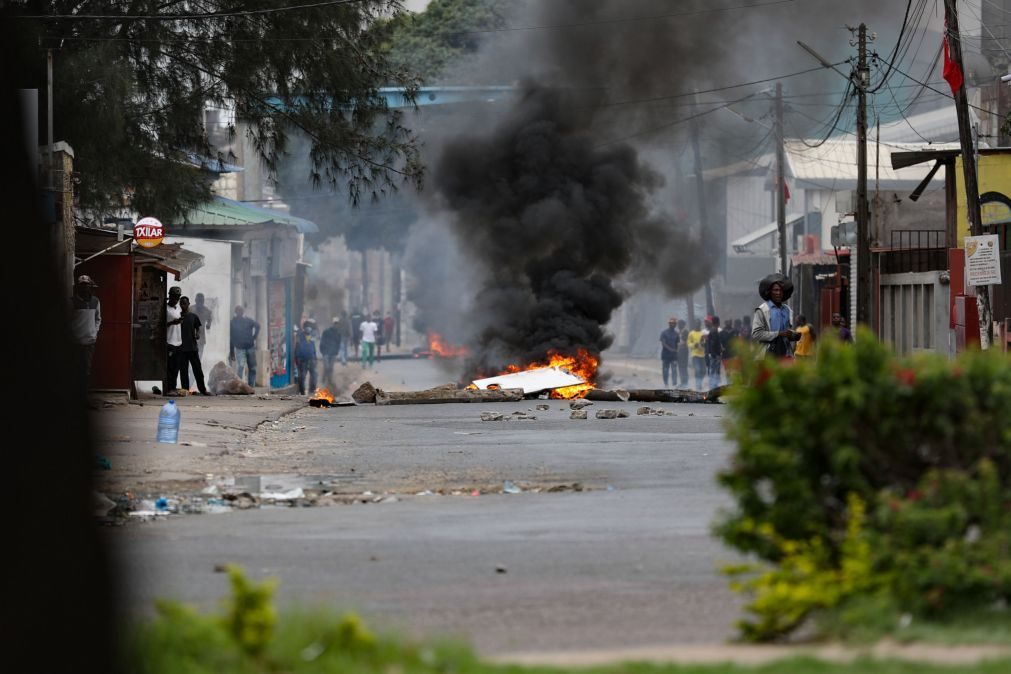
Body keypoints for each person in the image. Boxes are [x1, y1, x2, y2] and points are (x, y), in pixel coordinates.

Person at [752, 273, 801, 358]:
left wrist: (794, 335)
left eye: (781, 290)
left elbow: (786, 334)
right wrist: (778, 334)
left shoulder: (787, 310)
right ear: (769, 292)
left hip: (785, 354)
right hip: (767, 355)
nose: (778, 293)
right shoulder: (762, 310)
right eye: (775, 290)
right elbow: (756, 334)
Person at [70, 275, 102, 380]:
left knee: (86, 371)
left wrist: (94, 333)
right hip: (75, 343)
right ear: (78, 287)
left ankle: (83, 393)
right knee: (74, 370)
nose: (85, 288)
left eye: (87, 285)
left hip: (89, 342)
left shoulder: (95, 301)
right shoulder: (72, 301)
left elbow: (98, 319)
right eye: (82, 285)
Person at [178, 296, 211, 395]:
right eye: (181, 303)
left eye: (185, 303)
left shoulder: (193, 316)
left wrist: (197, 334)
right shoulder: (178, 316)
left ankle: (202, 389)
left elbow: (198, 328)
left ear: (188, 304)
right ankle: (185, 390)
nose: (183, 305)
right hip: (181, 348)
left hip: (192, 347)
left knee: (197, 369)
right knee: (183, 370)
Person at [229, 305, 260, 387]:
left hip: (250, 347)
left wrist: (254, 337)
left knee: (252, 368)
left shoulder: (248, 320)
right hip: (240, 348)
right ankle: (239, 386)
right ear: (236, 312)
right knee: (241, 367)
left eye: (241, 311)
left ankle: (251, 386)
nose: (240, 312)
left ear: (243, 312)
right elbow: (231, 337)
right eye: (238, 311)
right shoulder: (233, 322)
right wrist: (232, 352)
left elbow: (258, 326)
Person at [164, 286, 184, 395]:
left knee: (176, 367)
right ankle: (169, 388)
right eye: (174, 297)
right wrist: (172, 322)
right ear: (170, 296)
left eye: (177, 297)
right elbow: (162, 325)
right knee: (170, 367)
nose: (176, 299)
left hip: (178, 341)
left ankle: (174, 387)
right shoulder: (165, 309)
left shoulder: (178, 309)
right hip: (169, 341)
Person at [294, 320, 318, 395]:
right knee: (302, 377)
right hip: (302, 359)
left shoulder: (312, 336)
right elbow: (297, 347)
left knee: (314, 376)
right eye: (307, 327)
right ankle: (302, 392)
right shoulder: (300, 336)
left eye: (310, 327)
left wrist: (315, 357)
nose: (309, 328)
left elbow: (313, 348)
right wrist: (297, 358)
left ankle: (312, 390)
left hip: (311, 359)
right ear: (304, 328)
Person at [319, 317, 342, 388]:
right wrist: (322, 351)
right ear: (333, 324)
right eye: (335, 323)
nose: (336, 325)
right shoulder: (326, 331)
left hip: (333, 353)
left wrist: (336, 351)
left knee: (331, 368)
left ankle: (329, 382)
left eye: (337, 324)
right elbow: (322, 341)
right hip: (326, 352)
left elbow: (338, 343)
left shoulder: (338, 333)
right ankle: (324, 380)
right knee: (327, 367)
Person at [705, 316, 726, 388]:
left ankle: (714, 385)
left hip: (714, 354)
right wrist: (715, 354)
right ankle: (713, 386)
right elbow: (712, 344)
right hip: (714, 355)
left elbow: (714, 343)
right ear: (718, 322)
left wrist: (720, 348)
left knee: (714, 371)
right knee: (714, 371)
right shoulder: (714, 331)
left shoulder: (713, 330)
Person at [659, 316, 680, 388]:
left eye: (674, 323)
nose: (672, 324)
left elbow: (677, 344)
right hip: (666, 355)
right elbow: (663, 343)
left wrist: (676, 352)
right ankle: (666, 383)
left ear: (675, 324)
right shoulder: (664, 333)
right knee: (665, 370)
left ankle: (674, 384)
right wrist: (671, 349)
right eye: (671, 323)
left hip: (674, 355)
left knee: (674, 370)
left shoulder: (677, 334)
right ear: (669, 324)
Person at [687, 319, 706, 389]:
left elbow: (705, 342)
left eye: (699, 323)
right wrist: (694, 345)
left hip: (703, 354)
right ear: (694, 324)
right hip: (695, 354)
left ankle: (699, 382)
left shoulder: (703, 333)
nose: (697, 324)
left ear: (700, 324)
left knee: (704, 371)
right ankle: (698, 385)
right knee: (697, 369)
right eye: (696, 323)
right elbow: (688, 343)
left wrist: (703, 344)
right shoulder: (691, 333)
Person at [676, 319, 690, 387]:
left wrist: (678, 344)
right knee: (680, 367)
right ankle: (683, 382)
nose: (678, 326)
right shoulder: (679, 332)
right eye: (678, 324)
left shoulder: (685, 331)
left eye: (679, 324)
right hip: (679, 351)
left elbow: (685, 341)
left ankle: (685, 382)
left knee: (683, 366)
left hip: (684, 351)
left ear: (683, 325)